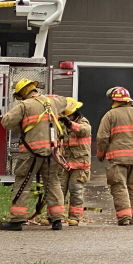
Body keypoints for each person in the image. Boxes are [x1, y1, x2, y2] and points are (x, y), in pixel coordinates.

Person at [0, 78, 69, 231]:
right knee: (53, 183)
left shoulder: (24, 105)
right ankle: (57, 219)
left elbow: (6, 122)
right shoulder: (53, 102)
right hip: (52, 152)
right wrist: (51, 97)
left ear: (23, 93)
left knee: (23, 183)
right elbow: (66, 101)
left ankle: (17, 220)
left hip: (31, 153)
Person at [97, 86, 133, 226]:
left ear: (113, 100)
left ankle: (124, 217)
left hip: (117, 159)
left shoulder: (110, 115)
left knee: (119, 186)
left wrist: (100, 154)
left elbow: (102, 137)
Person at [59, 97, 92, 226]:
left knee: (76, 190)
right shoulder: (60, 124)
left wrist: (70, 124)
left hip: (80, 164)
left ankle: (74, 217)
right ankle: (56, 217)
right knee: (59, 190)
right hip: (63, 163)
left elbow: (84, 130)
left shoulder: (83, 122)